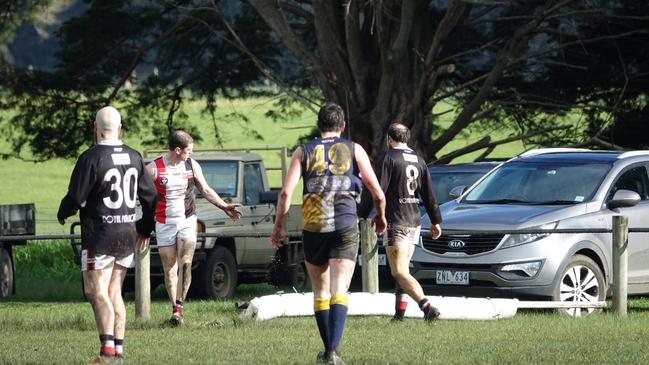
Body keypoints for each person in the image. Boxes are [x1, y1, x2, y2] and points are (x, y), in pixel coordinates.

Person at [270, 102, 386, 364]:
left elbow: (286, 193)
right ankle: (333, 350)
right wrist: (380, 217)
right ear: (342, 126)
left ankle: (328, 351)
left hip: (313, 225)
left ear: (318, 125)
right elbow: (377, 192)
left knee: (320, 290)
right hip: (345, 222)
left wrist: (278, 226)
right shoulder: (355, 150)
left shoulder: (304, 151)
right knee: (339, 288)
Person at [57, 106, 157, 365]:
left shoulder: (91, 158)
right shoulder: (135, 157)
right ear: (120, 128)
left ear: (95, 128)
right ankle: (118, 353)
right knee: (114, 292)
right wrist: (144, 228)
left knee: (95, 291)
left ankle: (107, 353)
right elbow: (151, 196)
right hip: (126, 233)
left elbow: (77, 197)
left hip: (99, 234)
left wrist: (63, 211)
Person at [147, 130, 241, 325]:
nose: (191, 154)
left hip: (187, 220)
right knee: (169, 270)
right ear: (178, 150)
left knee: (186, 262)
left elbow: (206, 190)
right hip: (164, 223)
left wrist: (224, 206)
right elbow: (142, 196)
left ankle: (180, 306)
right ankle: (175, 311)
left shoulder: (191, 165)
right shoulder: (154, 169)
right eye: (188, 151)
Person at [377, 123, 443, 322]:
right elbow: (429, 194)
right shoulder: (419, 160)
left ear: (389, 138)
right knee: (403, 271)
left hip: (396, 221)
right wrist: (435, 221)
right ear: (407, 138)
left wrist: (375, 215)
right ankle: (399, 316)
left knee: (398, 271)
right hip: (415, 222)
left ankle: (427, 307)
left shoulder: (389, 158)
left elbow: (380, 192)